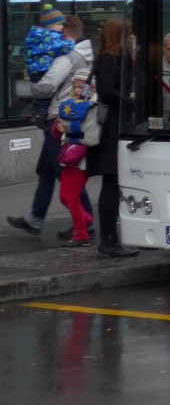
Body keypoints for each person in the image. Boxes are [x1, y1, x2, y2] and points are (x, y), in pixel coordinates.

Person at [8, 14, 94, 239]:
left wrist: (29, 88)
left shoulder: (67, 56)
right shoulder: (87, 54)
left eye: (58, 32)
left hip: (58, 118)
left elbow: (47, 86)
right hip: (71, 115)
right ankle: (35, 218)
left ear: (66, 34)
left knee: (63, 170)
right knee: (46, 170)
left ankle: (85, 221)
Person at [90, 17, 138, 258]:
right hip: (111, 128)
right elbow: (107, 91)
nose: (131, 37)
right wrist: (130, 102)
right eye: (128, 33)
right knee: (111, 184)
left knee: (115, 184)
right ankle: (108, 240)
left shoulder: (118, 58)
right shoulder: (107, 59)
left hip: (119, 126)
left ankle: (111, 238)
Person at [52, 71, 97, 247]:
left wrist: (69, 130)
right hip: (69, 155)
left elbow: (90, 135)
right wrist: (58, 129)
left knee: (71, 197)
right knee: (64, 197)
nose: (77, 90)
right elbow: (57, 133)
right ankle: (85, 220)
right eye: (75, 86)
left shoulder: (92, 106)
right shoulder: (69, 105)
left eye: (81, 86)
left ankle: (81, 234)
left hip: (82, 158)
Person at [26, 8, 75, 121]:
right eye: (59, 24)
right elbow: (61, 47)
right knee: (45, 98)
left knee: (42, 98)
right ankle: (39, 115)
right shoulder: (50, 37)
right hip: (42, 69)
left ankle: (38, 111)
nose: (62, 27)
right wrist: (70, 41)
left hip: (35, 69)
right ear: (49, 25)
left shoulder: (38, 35)